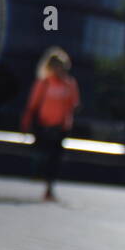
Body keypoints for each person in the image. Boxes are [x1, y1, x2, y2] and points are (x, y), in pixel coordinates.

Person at [21, 47, 80, 201]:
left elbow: (73, 104)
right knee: (43, 156)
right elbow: (33, 105)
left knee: (55, 158)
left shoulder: (70, 84)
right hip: (43, 126)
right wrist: (27, 123)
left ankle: (49, 188)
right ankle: (39, 176)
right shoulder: (44, 83)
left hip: (61, 127)